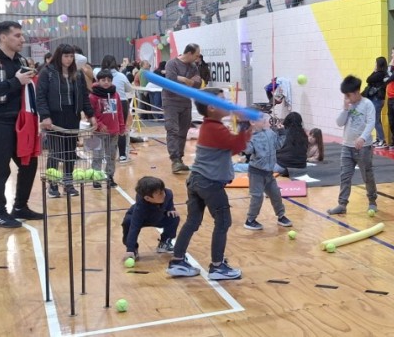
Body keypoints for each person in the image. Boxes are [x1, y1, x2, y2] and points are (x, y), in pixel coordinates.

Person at [166, 88, 250, 279]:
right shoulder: (215, 128)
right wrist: (246, 123)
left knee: (193, 221)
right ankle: (217, 266)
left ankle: (177, 261)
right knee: (223, 221)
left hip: (197, 180)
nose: (228, 103)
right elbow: (237, 146)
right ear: (212, 108)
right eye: (223, 100)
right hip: (209, 184)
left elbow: (230, 148)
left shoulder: (210, 126)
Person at [0, 21, 41, 227]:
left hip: (21, 122)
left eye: (22, 35)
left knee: (29, 164)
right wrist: (16, 82)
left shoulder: (21, 60)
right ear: (3, 37)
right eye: (17, 35)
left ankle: (20, 206)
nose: (22, 39)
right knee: (0, 169)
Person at [37, 44, 97, 198]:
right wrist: (45, 116)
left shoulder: (77, 73)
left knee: (70, 151)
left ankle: (68, 182)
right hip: (55, 116)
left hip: (72, 115)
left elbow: (84, 97)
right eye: (66, 56)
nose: (69, 59)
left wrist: (91, 115)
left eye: (71, 56)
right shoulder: (47, 72)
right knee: (55, 151)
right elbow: (41, 96)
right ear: (59, 56)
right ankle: (53, 184)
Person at [327, 75, 376, 215]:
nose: (347, 98)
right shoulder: (348, 106)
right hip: (346, 146)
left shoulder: (367, 104)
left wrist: (362, 138)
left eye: (348, 95)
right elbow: (339, 123)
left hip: (364, 148)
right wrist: (345, 109)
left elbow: (371, 123)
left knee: (367, 175)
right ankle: (342, 204)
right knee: (345, 175)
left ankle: (372, 201)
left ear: (356, 92)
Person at [243, 113, 293, 231]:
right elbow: (248, 150)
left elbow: (278, 145)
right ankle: (250, 220)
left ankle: (281, 216)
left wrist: (281, 133)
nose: (265, 120)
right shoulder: (251, 137)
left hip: (269, 173)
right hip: (256, 173)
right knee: (257, 196)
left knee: (276, 194)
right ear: (252, 122)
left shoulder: (270, 133)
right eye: (261, 118)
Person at [163, 43, 201, 174]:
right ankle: (175, 160)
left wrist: (183, 79)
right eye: (196, 55)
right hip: (171, 101)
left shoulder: (193, 66)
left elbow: (197, 83)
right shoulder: (171, 64)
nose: (197, 58)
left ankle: (179, 158)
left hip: (185, 101)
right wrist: (186, 80)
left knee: (183, 131)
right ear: (189, 53)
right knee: (172, 129)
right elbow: (171, 80)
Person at [123, 176, 179, 262]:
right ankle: (133, 249)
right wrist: (129, 249)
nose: (163, 194)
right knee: (128, 222)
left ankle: (165, 242)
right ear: (147, 198)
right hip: (143, 219)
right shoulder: (140, 208)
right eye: (159, 193)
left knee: (174, 217)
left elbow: (169, 200)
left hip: (158, 217)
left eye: (163, 190)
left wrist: (171, 209)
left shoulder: (168, 193)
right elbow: (134, 227)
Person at [89, 70, 126, 189]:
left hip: (113, 131)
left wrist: (121, 126)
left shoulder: (116, 95)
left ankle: (110, 176)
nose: (106, 82)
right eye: (103, 80)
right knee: (96, 155)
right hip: (97, 132)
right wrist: (99, 124)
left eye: (109, 80)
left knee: (111, 155)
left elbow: (119, 111)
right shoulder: (92, 96)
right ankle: (96, 178)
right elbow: (90, 114)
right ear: (98, 81)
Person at [101, 55, 133, 163]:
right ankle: (123, 155)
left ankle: (107, 156)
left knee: (106, 128)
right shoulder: (121, 75)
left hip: (104, 101)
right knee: (121, 128)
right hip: (122, 102)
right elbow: (129, 88)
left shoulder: (99, 75)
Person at [364, 56, 389, 148]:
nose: (375, 65)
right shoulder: (381, 74)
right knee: (377, 119)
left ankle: (382, 140)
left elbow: (368, 79)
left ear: (379, 64)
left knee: (375, 120)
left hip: (377, 99)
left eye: (376, 63)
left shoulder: (380, 74)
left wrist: (374, 70)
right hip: (377, 99)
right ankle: (379, 139)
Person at [275, 112, 308, 176]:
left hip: (283, 165)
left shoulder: (284, 134)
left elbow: (277, 147)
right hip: (301, 166)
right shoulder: (304, 135)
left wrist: (279, 131)